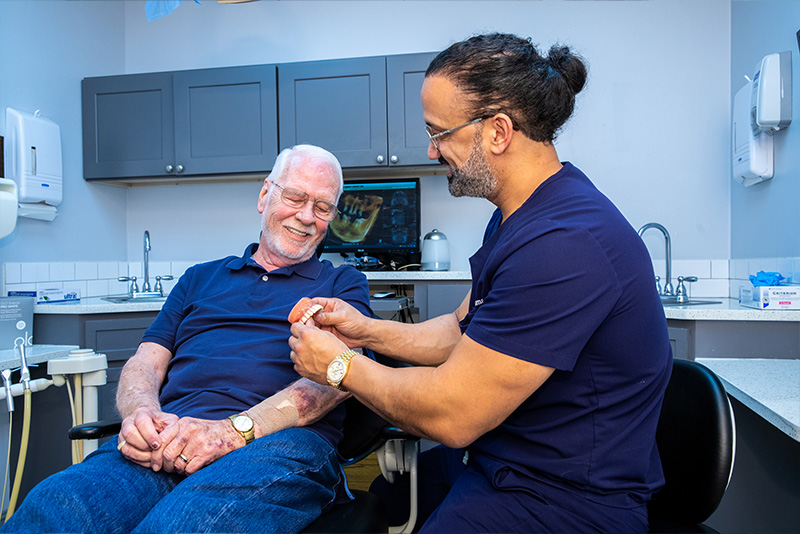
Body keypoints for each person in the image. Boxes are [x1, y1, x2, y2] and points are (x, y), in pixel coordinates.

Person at [288, 33, 672, 533]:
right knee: (385, 495)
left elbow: (452, 414)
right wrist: (364, 331)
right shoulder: (516, 216)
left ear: (497, 131)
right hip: (504, 455)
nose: (431, 150)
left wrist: (338, 365)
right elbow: (461, 329)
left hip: (565, 497)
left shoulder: (566, 244)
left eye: (440, 132)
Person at [1, 145, 371, 534]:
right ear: (265, 196)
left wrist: (230, 432)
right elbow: (146, 362)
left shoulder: (342, 284)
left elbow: (338, 377)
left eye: (323, 207)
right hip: (170, 435)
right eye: (295, 197)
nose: (307, 217)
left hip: (279, 444)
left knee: (181, 525)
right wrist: (141, 416)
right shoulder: (199, 278)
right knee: (54, 508)